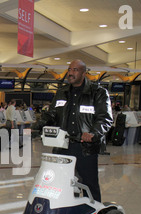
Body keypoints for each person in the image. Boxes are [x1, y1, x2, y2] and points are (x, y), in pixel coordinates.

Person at [47, 59, 113, 202]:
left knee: (89, 184)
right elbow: (52, 114)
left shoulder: (98, 93)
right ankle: (70, 213)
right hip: (62, 146)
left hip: (85, 147)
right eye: (69, 69)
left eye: (75, 70)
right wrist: (40, 124)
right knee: (64, 184)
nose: (70, 73)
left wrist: (94, 133)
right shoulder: (61, 92)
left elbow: (105, 119)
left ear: (84, 73)